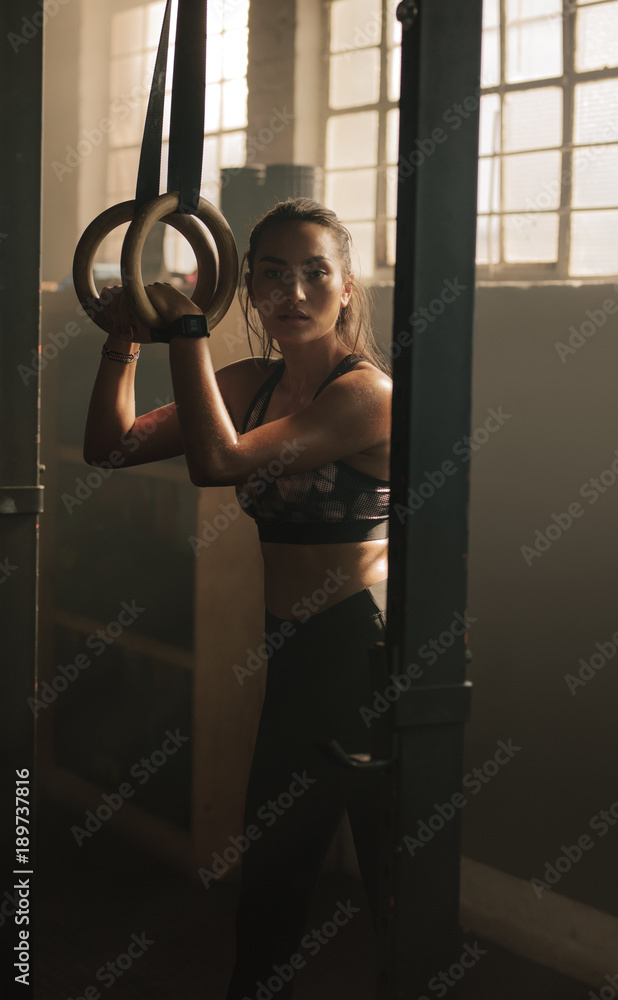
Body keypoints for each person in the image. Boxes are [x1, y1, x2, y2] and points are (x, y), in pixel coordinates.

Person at [83, 197, 392, 998]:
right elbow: (110, 447)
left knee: (396, 877)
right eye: (271, 275)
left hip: (368, 650)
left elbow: (217, 463)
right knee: (276, 869)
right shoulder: (250, 384)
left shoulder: (365, 395)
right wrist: (123, 334)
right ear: (247, 289)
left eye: (313, 273)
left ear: (346, 287)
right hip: (291, 645)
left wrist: (184, 331)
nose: (292, 292)